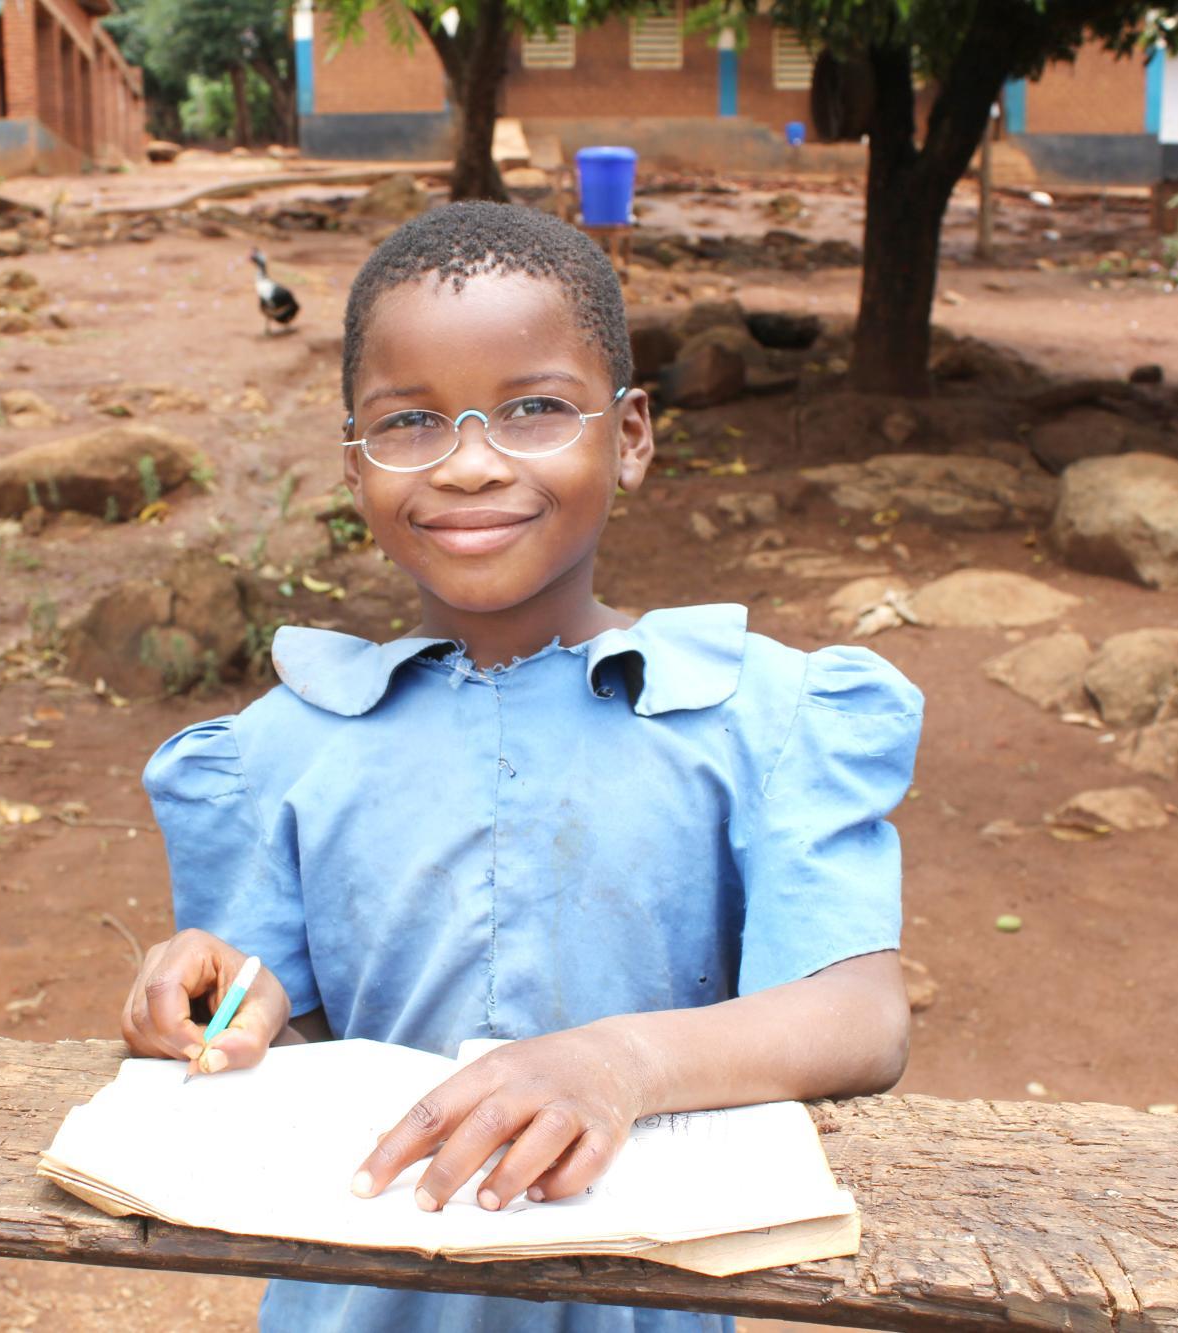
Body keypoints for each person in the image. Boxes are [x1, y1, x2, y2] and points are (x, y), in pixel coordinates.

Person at [121, 202, 923, 1332]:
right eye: (407, 424)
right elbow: (282, 1046)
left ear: (631, 435)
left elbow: (860, 1014)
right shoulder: (274, 751)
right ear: (351, 463)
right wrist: (221, 1005)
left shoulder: (764, 719)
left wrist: (620, 1063)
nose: (467, 466)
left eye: (534, 409)